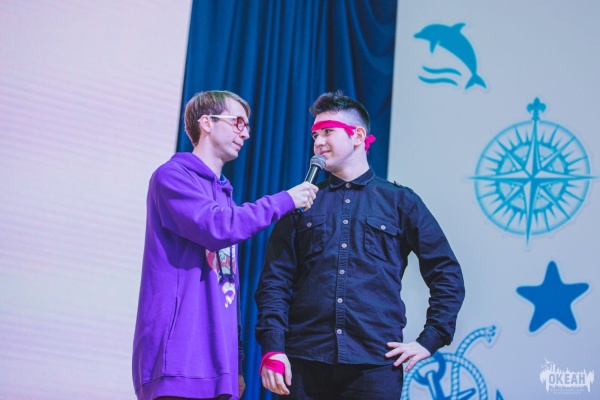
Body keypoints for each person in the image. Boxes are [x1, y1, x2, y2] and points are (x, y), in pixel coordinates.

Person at [255, 91, 465, 399]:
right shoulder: (302, 203)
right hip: (304, 361)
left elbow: (446, 273)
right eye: (314, 135)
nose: (318, 142)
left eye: (327, 131)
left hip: (375, 364)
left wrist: (431, 338)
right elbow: (274, 282)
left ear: (358, 136)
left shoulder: (400, 202)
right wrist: (273, 346)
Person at [132, 90, 318, 400]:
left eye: (247, 126)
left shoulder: (224, 196)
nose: (245, 133)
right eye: (238, 122)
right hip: (179, 357)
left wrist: (236, 360)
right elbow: (217, 227)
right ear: (206, 123)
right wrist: (285, 200)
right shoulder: (172, 177)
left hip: (218, 362)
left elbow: (227, 285)